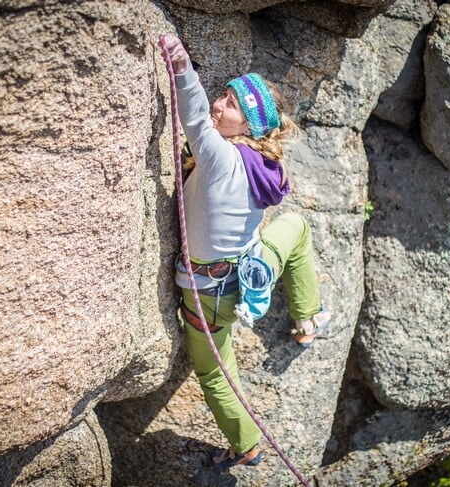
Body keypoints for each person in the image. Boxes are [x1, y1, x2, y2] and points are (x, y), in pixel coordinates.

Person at [161, 33, 331, 469]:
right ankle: (307, 316)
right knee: (295, 225)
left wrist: (181, 64)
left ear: (248, 125)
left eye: (231, 105)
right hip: (250, 271)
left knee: (216, 372)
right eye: (222, 95)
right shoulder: (264, 165)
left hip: (208, 292)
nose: (219, 105)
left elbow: (195, 116)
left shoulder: (219, 157)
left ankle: (247, 444)